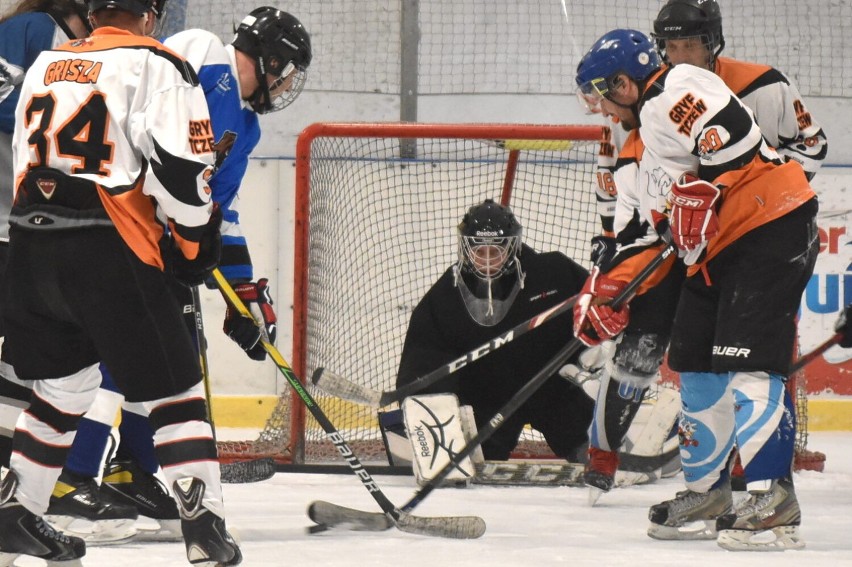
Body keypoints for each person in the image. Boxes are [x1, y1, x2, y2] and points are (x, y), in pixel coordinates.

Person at [45, 4, 312, 542]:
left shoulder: (248, 127)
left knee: (170, 353)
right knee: (115, 356)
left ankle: (135, 473)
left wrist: (244, 289)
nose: (284, 84)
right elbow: (151, 136)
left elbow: (220, 214)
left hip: (157, 242)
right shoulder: (201, 51)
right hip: (115, 222)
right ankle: (68, 479)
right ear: (270, 58)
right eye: (284, 70)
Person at [0, 0, 242, 564]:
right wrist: (193, 243)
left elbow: (21, 160)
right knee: (173, 392)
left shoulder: (47, 61)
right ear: (151, 15)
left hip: (30, 245)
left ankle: (15, 512)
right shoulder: (158, 64)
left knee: (63, 390)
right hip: (107, 249)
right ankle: (204, 527)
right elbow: (181, 174)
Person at [574, 28, 818, 551]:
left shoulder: (677, 84)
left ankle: (773, 499)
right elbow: (639, 236)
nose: (599, 108)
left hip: (768, 225)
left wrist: (703, 187)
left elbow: (734, 134)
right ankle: (708, 494)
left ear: (624, 82)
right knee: (698, 366)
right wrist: (606, 293)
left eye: (600, 91)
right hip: (712, 253)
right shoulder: (635, 154)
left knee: (750, 363)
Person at [395, 199, 596, 462]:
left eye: (496, 251)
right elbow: (424, 356)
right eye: (480, 251)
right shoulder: (447, 295)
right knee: (478, 460)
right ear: (466, 249)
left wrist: (596, 351)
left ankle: (605, 445)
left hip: (554, 390)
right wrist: (425, 407)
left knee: (593, 455)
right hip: (489, 400)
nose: (487, 260)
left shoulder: (553, 272)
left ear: (512, 247)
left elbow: (599, 306)